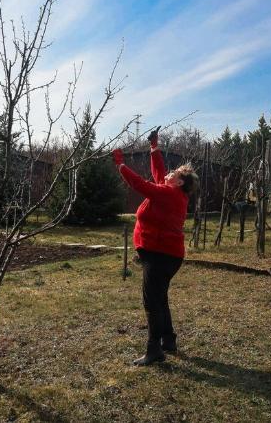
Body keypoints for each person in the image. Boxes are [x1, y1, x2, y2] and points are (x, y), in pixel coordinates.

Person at [112, 129, 199, 366]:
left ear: (179, 182)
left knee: (151, 301)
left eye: (175, 173)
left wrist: (120, 165)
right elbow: (159, 172)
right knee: (159, 298)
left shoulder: (169, 195)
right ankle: (168, 340)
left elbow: (141, 184)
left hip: (161, 256)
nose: (169, 174)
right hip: (163, 254)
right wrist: (154, 147)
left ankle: (154, 350)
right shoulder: (171, 191)